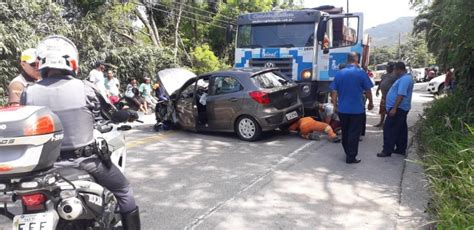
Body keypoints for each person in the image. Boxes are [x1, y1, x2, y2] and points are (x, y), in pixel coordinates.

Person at [20, 35, 140, 229]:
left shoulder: (28, 92)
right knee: (124, 190)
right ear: (72, 62)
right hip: (86, 162)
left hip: (44, 166)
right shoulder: (85, 88)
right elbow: (110, 115)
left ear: (41, 64)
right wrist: (128, 114)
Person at [330, 52, 374, 164]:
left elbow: (333, 92)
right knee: (354, 133)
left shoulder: (339, 74)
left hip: (343, 110)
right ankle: (351, 157)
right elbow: (368, 90)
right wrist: (370, 103)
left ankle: (348, 152)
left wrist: (334, 106)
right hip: (357, 110)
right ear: (356, 60)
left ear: (347, 60)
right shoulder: (361, 73)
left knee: (345, 132)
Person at [377, 62, 414, 158]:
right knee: (401, 129)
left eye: (394, 70)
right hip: (400, 108)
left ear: (398, 69)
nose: (393, 72)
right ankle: (401, 149)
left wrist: (394, 108)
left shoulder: (405, 79)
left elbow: (401, 95)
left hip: (398, 109)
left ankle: (387, 150)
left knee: (389, 129)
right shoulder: (404, 78)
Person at [374, 62, 397, 127]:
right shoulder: (384, 75)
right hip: (383, 96)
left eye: (388, 67)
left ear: (392, 68)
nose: (387, 68)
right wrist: (377, 90)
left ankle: (388, 124)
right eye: (387, 67)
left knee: (389, 110)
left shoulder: (395, 76)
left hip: (390, 97)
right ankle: (381, 122)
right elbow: (381, 82)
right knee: (382, 110)